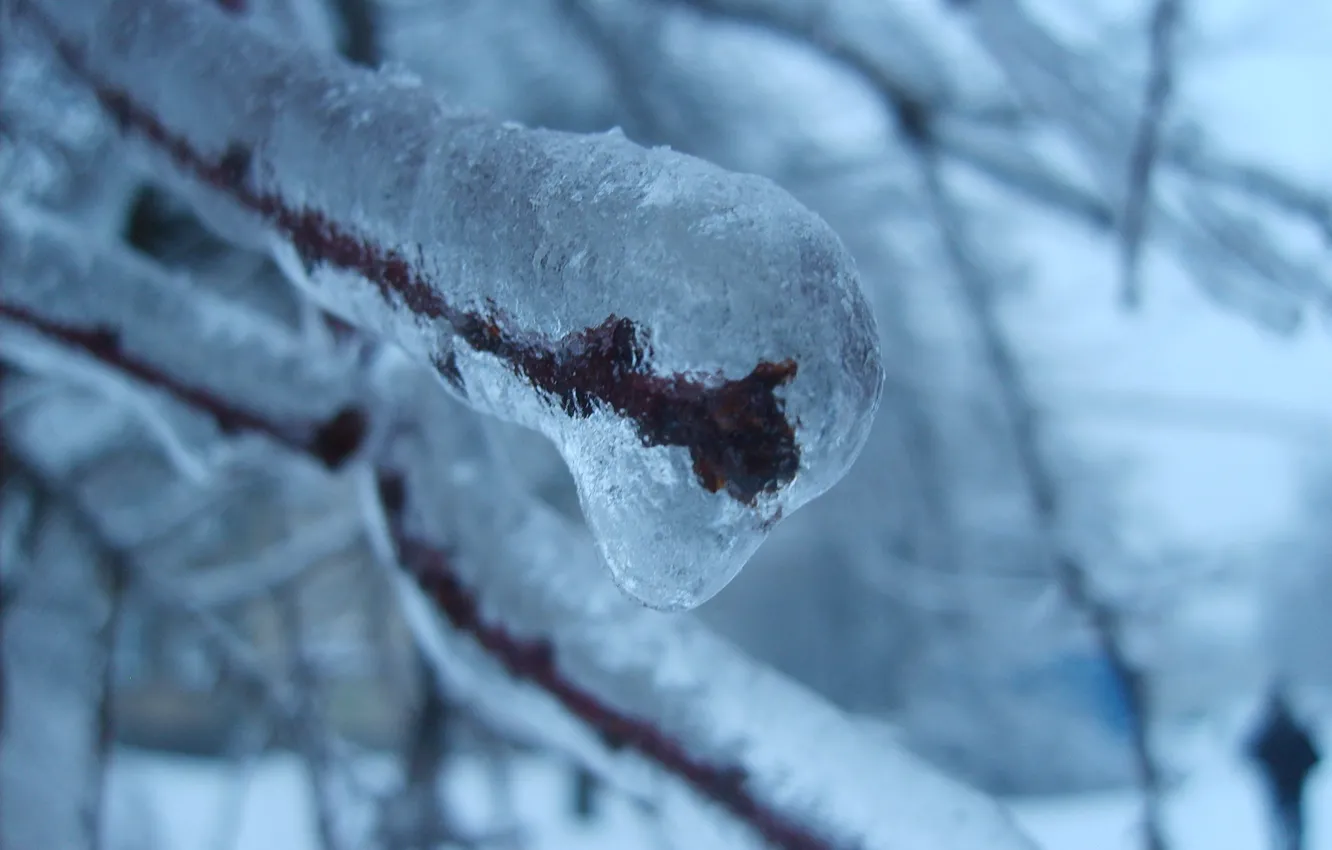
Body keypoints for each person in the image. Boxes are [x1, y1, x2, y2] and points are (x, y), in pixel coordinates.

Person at [1246, 684, 1321, 850]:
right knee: (1290, 830)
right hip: (1288, 790)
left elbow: (1250, 752)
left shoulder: (1273, 731)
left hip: (1285, 790)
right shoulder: (1291, 729)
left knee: (1284, 829)